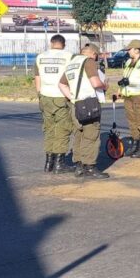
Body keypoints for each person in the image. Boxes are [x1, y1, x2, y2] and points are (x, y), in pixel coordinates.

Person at [58, 43, 109, 179]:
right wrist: (104, 85)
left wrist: (73, 98)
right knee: (91, 135)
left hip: (75, 104)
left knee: (78, 134)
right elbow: (95, 83)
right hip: (89, 103)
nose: (96, 58)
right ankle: (90, 167)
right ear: (93, 54)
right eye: (96, 56)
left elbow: (61, 84)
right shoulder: (89, 62)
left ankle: (79, 166)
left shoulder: (71, 63)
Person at [34, 34, 74, 174]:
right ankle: (59, 163)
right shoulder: (69, 57)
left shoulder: (40, 57)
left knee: (49, 129)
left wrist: (39, 94)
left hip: (45, 96)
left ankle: (48, 162)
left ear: (51, 43)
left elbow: (37, 77)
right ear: (64, 44)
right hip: (61, 96)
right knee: (62, 130)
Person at [118, 40, 140, 158]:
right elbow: (125, 78)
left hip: (139, 95)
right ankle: (135, 143)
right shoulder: (129, 61)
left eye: (130, 49)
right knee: (132, 120)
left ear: (137, 50)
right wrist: (119, 90)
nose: (128, 51)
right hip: (128, 95)